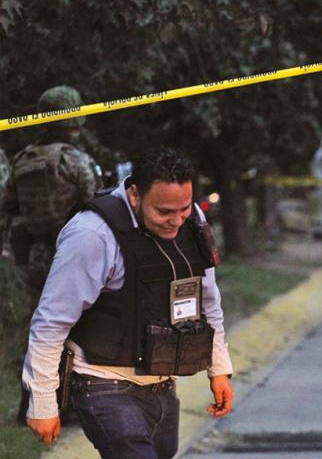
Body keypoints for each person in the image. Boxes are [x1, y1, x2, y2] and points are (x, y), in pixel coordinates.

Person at [22, 147, 234, 458]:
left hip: (162, 382)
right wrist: (42, 402)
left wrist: (219, 369)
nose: (176, 221)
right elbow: (51, 321)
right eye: (163, 212)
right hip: (103, 383)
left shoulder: (192, 220)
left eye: (183, 208)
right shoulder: (91, 234)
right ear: (135, 195)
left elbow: (207, 300)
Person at [3, 86, 103, 425]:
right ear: (75, 119)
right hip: (72, 256)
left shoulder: (22, 160)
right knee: (76, 328)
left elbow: (8, 208)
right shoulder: (75, 161)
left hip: (34, 256)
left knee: (40, 329)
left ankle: (26, 404)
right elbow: (96, 207)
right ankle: (69, 404)